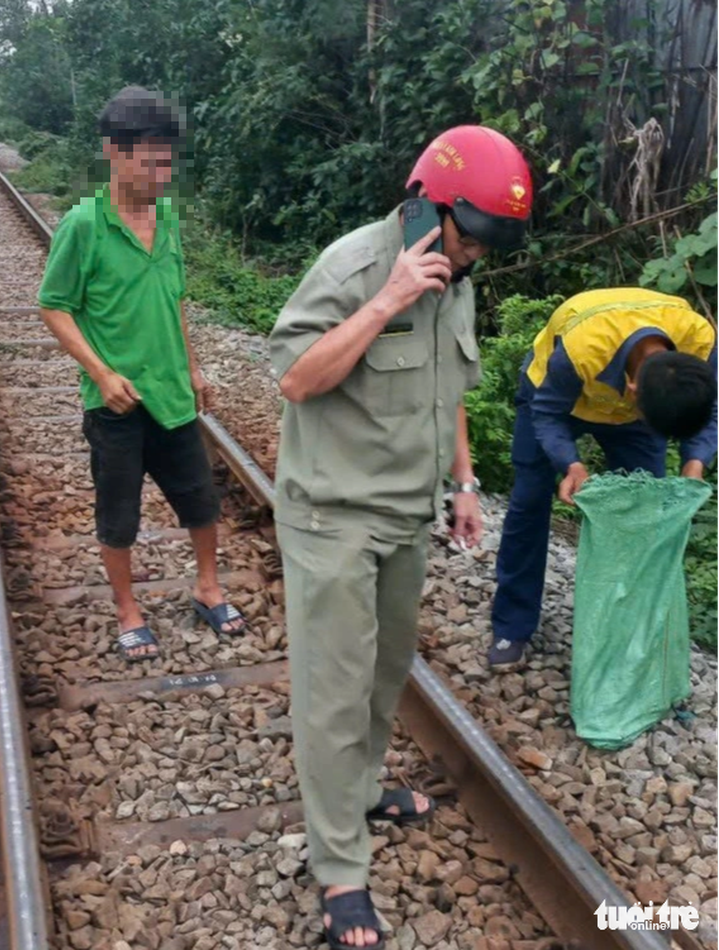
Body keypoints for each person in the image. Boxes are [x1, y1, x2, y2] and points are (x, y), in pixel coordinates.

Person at [269, 126, 533, 950]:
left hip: (405, 510)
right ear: (430, 205)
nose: (477, 259)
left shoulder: (456, 274)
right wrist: (385, 300)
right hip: (333, 515)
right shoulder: (354, 266)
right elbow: (295, 377)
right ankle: (340, 867)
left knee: (386, 674)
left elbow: (447, 384)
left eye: (491, 246)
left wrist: (460, 482)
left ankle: (367, 788)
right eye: (471, 238)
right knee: (335, 690)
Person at [38, 86, 246, 663]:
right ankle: (128, 611)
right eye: (150, 159)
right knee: (119, 514)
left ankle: (208, 588)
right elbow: (54, 305)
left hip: (173, 395)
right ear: (114, 153)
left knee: (202, 504)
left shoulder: (168, 217)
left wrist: (195, 367)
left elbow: (174, 297)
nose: (161, 171)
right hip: (116, 406)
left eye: (167, 159)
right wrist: (101, 373)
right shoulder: (84, 224)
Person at [489, 287, 718, 671]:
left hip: (637, 411)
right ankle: (511, 625)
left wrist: (695, 463)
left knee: (643, 516)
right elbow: (546, 415)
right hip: (555, 400)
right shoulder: (582, 349)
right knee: (530, 501)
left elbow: (711, 410)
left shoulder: (700, 342)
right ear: (632, 390)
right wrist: (572, 465)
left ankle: (626, 635)